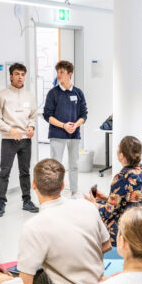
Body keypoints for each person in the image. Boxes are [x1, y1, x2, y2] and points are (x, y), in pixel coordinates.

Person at [18, 158, 110, 284]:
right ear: (62, 186)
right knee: (38, 274)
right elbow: (106, 245)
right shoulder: (87, 206)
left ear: (34, 185)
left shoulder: (33, 226)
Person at [0, 62, 39, 218]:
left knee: (25, 172)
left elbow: (33, 116)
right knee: (4, 172)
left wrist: (31, 127)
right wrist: (10, 130)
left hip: (26, 140)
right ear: (11, 76)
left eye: (23, 74)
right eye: (17, 74)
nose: (20, 77)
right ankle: (0, 203)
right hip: (9, 140)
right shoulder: (1, 95)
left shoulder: (29, 96)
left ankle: (27, 201)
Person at [90, 135, 142, 247]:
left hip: (127, 224)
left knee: (93, 211)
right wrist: (106, 198)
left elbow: (109, 212)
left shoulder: (122, 177)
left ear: (121, 155)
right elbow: (132, 198)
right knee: (101, 203)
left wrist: (94, 205)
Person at [43, 60, 87, 198]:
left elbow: (84, 114)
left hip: (74, 135)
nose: (58, 75)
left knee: (74, 164)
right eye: (57, 72)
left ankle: (74, 190)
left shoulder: (78, 92)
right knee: (55, 166)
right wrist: (63, 125)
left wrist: (75, 125)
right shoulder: (53, 93)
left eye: (61, 72)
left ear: (70, 74)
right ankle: (56, 192)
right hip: (57, 134)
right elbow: (47, 115)